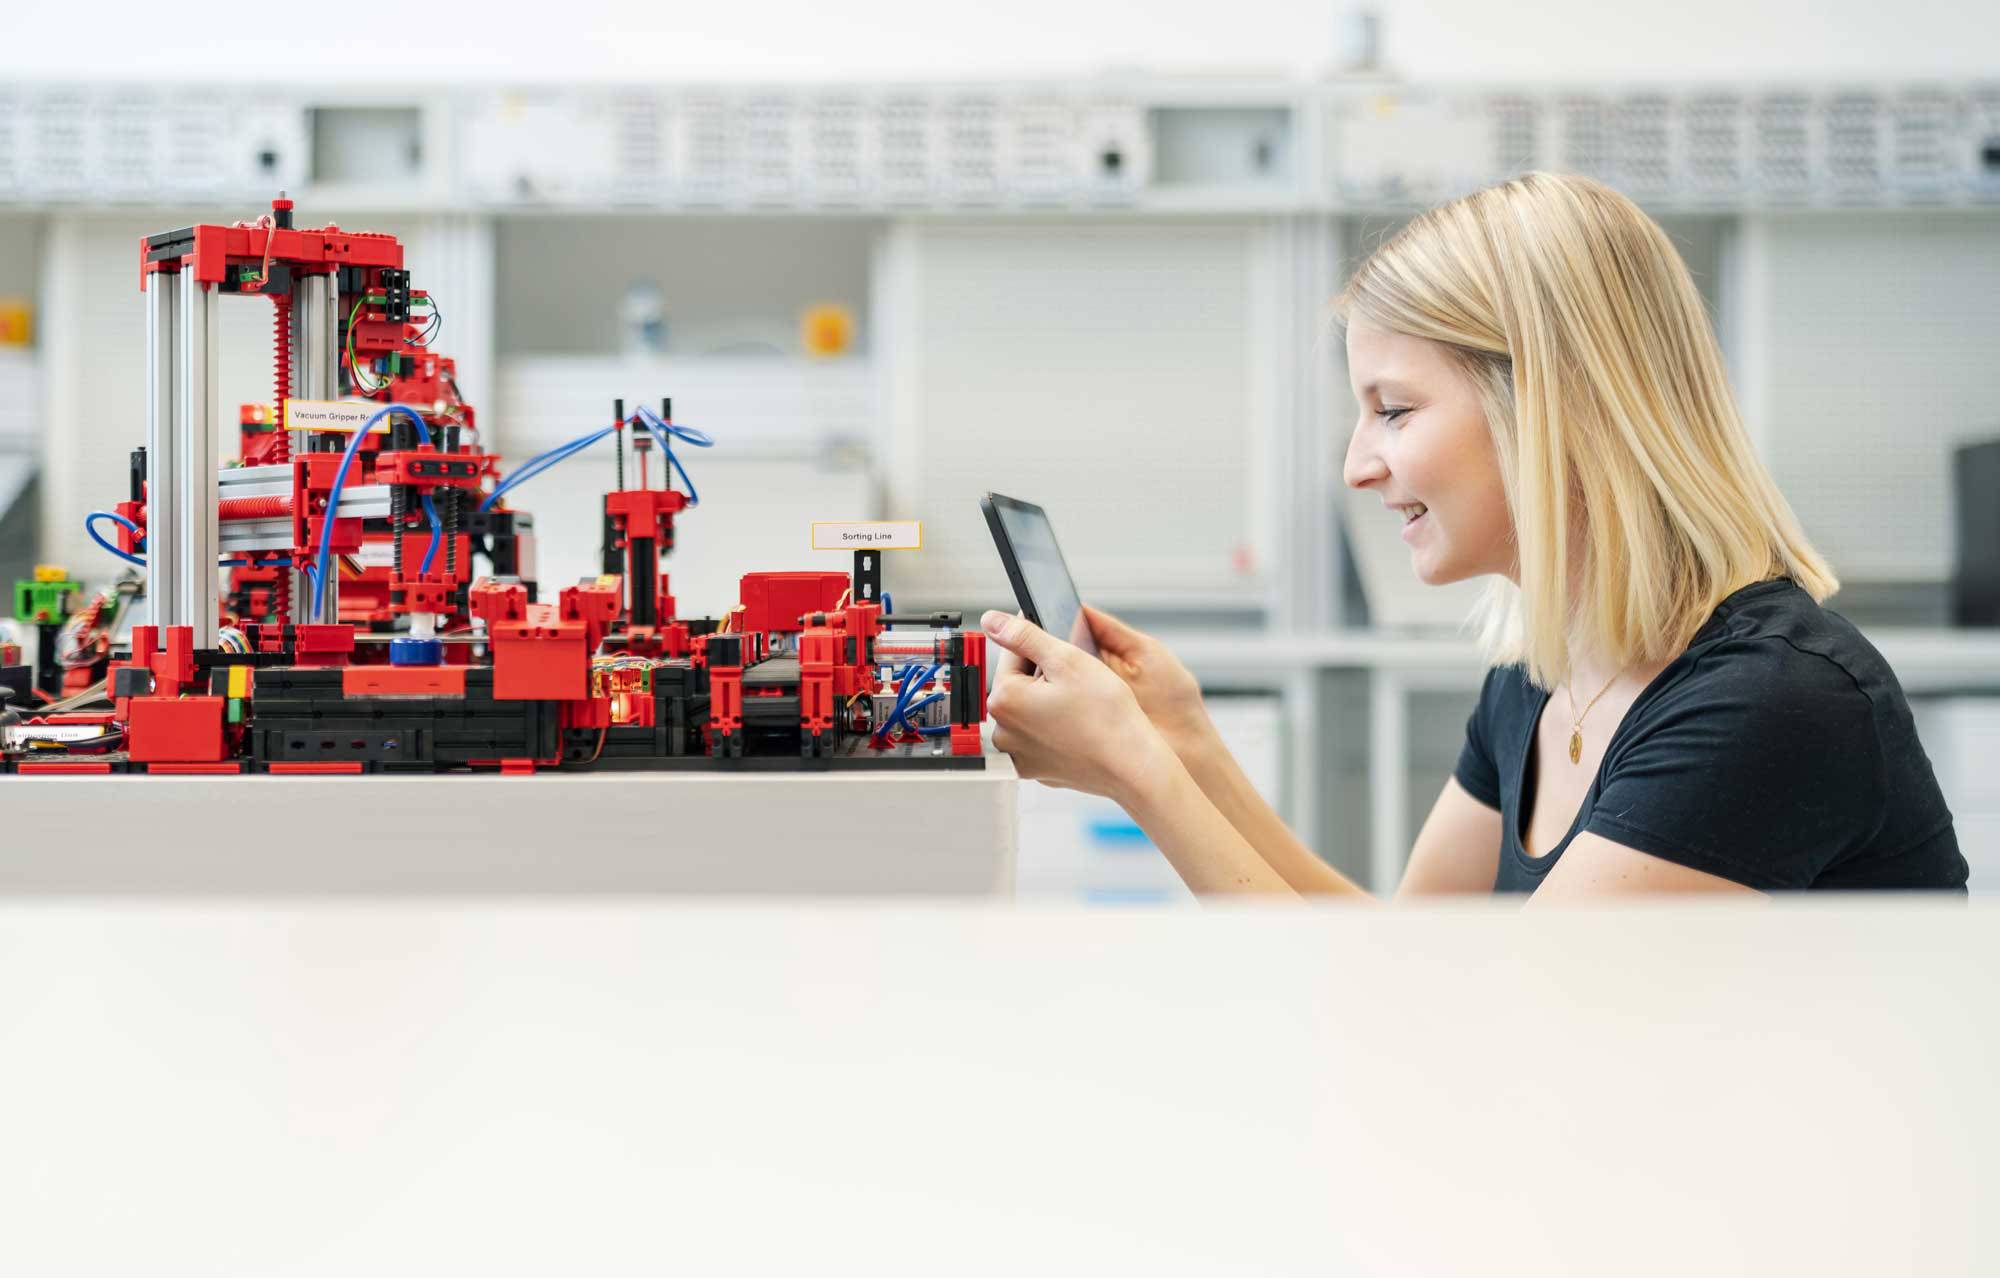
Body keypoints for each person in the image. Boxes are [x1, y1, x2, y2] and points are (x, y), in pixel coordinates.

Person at [981, 172, 1967, 900]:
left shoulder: (1765, 705)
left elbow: (1459, 1038)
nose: (1356, 466)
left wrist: (1135, 775)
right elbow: (1412, 968)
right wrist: (1185, 745)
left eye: (1394, 411)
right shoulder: (1541, 674)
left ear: (1549, 405)